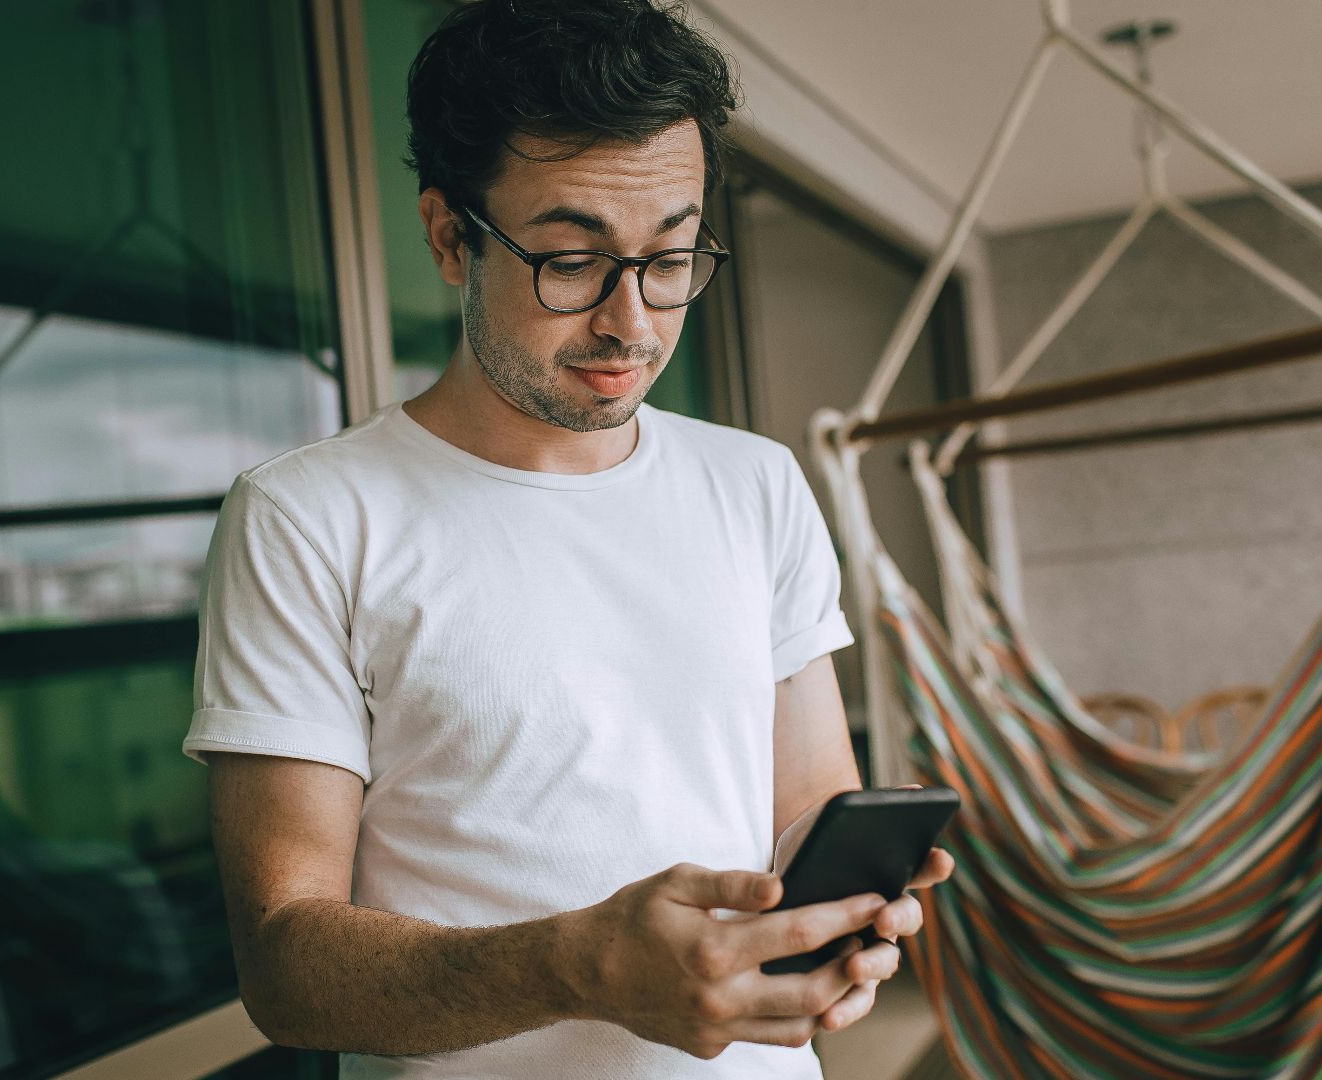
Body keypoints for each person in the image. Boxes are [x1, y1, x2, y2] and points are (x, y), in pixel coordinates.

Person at [183, 1, 953, 1076]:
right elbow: (286, 972)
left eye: (672, 256)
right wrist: (575, 966)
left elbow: (806, 810)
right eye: (570, 258)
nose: (632, 321)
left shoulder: (756, 483)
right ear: (452, 238)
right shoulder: (308, 518)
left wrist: (834, 924)